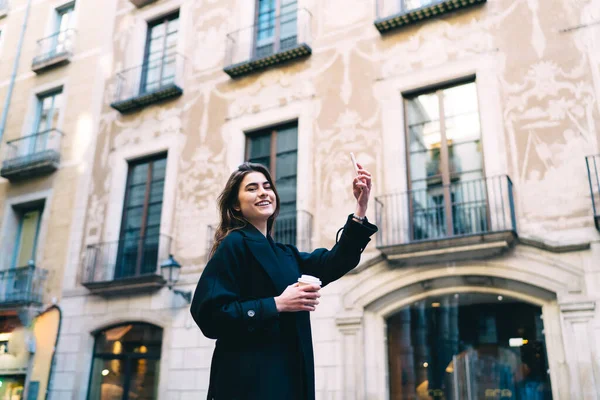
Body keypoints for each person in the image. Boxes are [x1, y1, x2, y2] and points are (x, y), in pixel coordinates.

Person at [190, 161, 377, 400]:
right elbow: (209, 315)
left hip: (292, 380)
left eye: (267, 186)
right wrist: (277, 303)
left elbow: (334, 262)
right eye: (252, 188)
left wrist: (360, 208)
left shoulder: (285, 253)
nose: (263, 192)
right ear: (236, 205)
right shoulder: (234, 243)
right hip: (249, 385)